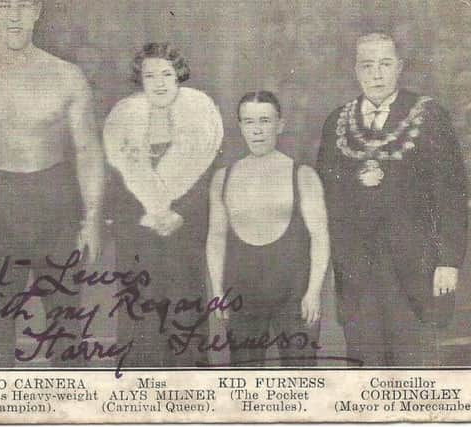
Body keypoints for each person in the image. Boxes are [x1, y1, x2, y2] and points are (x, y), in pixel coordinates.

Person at [0, 0, 104, 367]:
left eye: (24, 5)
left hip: (55, 202)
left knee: (66, 329)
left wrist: (91, 219)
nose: (14, 15)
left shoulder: (67, 76)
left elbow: (88, 150)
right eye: (5, 5)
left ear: (38, 11)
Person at [316, 33, 468, 366]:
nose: (376, 74)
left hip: (415, 272)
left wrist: (449, 260)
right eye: (367, 66)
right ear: (357, 71)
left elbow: (452, 192)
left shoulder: (428, 117)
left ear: (399, 67)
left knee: (415, 370)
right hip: (357, 276)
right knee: (365, 368)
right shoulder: (337, 123)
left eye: (385, 64)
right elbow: (326, 202)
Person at [104, 42, 223, 367]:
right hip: (138, 235)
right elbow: (120, 185)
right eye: (150, 75)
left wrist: (178, 213)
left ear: (178, 75)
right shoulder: (124, 118)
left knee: (184, 309)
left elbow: (208, 181)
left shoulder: (201, 116)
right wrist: (147, 214)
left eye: (166, 74)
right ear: (140, 79)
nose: (159, 82)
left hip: (185, 232)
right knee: (140, 311)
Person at [207, 91, 329, 367]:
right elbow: (216, 239)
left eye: (265, 120)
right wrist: (216, 291)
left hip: (293, 294)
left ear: (280, 125)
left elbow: (320, 237)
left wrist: (313, 291)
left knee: (300, 379)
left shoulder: (303, 175)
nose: (258, 130)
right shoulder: (222, 178)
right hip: (243, 292)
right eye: (249, 122)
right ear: (240, 127)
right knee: (246, 378)